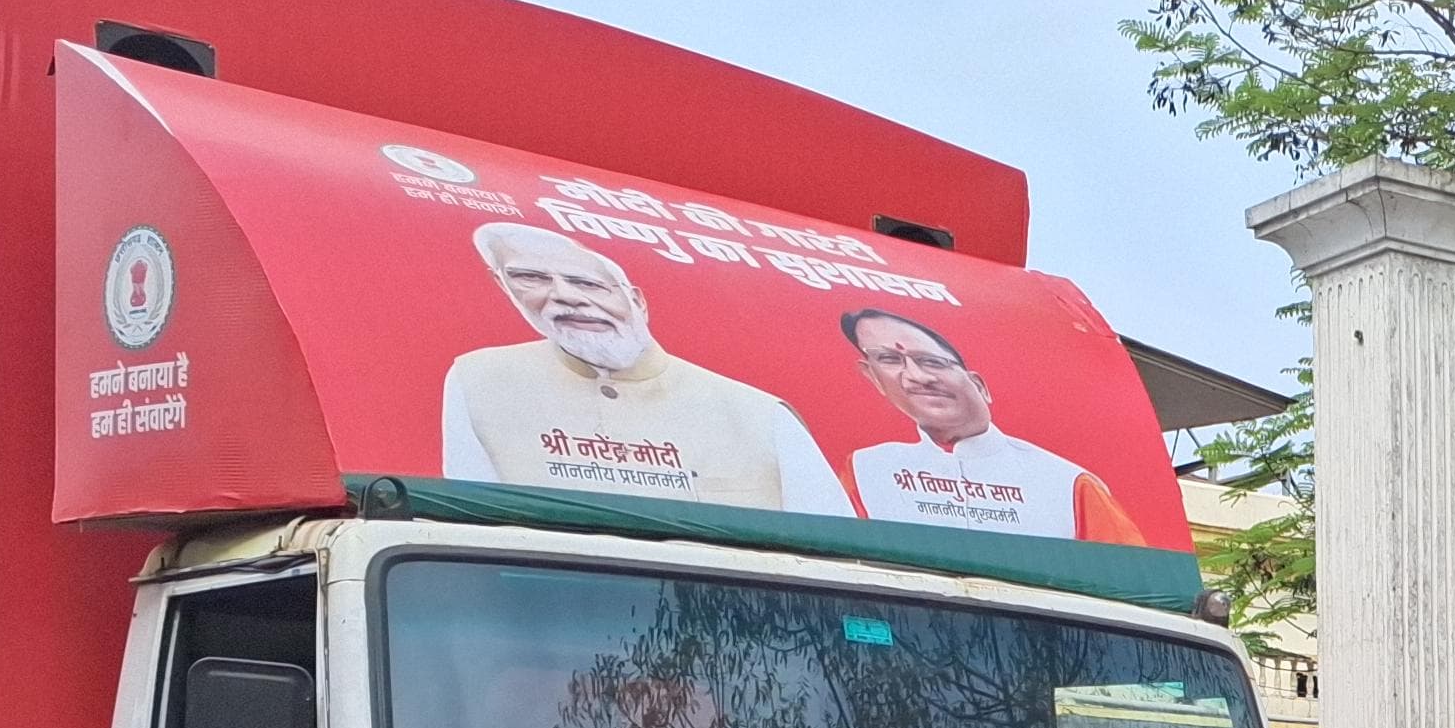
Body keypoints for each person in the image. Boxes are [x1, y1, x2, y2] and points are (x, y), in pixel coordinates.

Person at [439, 223, 855, 517]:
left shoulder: (760, 415)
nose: (564, 297)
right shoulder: (479, 379)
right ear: (504, 287)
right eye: (530, 278)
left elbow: (839, 557)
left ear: (637, 300)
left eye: (587, 284)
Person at [842, 309, 1143, 542]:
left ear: (979, 385)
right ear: (873, 378)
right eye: (890, 360)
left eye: (931, 362)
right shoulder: (867, 470)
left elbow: (1133, 587)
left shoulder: (1068, 484)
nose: (916, 377)